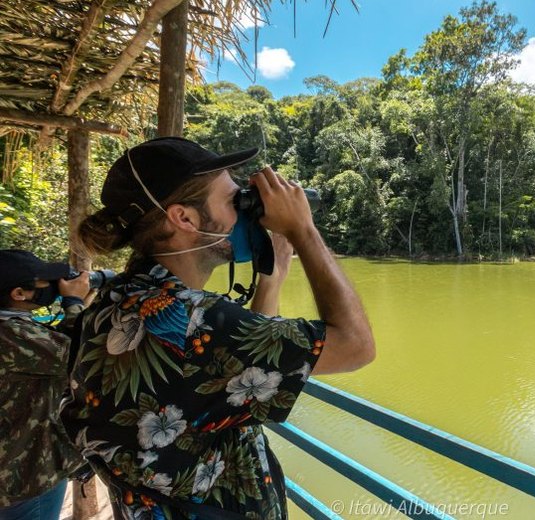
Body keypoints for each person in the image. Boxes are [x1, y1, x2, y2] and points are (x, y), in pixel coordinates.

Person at [60, 137, 375, 520]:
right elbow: (356, 345)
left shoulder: (114, 302)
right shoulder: (194, 322)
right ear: (184, 218)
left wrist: (272, 278)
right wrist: (303, 230)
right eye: (232, 200)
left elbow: (240, 373)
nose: (245, 211)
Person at [0, 250, 91, 519]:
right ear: (19, 293)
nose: (54, 286)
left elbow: (47, 348)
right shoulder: (12, 334)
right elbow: (82, 356)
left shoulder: (15, 329)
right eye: (45, 282)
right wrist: (74, 302)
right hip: (25, 475)